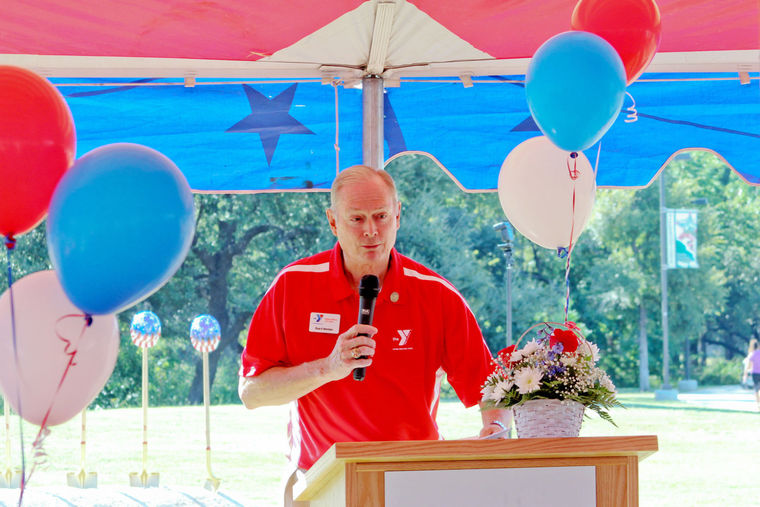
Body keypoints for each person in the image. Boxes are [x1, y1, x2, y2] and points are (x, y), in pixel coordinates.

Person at [238, 165, 508, 476]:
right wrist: (328, 367)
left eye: (380, 216)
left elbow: (491, 388)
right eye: (356, 219)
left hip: (412, 474)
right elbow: (252, 393)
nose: (371, 231)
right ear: (333, 222)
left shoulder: (437, 295)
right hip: (321, 477)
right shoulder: (292, 287)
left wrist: (495, 426)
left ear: (398, 215)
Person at [743, 338, 760, 410]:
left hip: (755, 373)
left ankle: (758, 403)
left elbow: (748, 366)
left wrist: (745, 374)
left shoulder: (752, 355)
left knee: (756, 388)